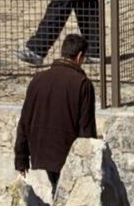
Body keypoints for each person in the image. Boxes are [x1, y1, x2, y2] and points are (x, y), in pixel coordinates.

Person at [14, 34, 98, 182]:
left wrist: (21, 160)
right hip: (67, 155)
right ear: (79, 56)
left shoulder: (38, 79)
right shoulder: (83, 84)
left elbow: (25, 121)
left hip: (40, 151)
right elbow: (86, 129)